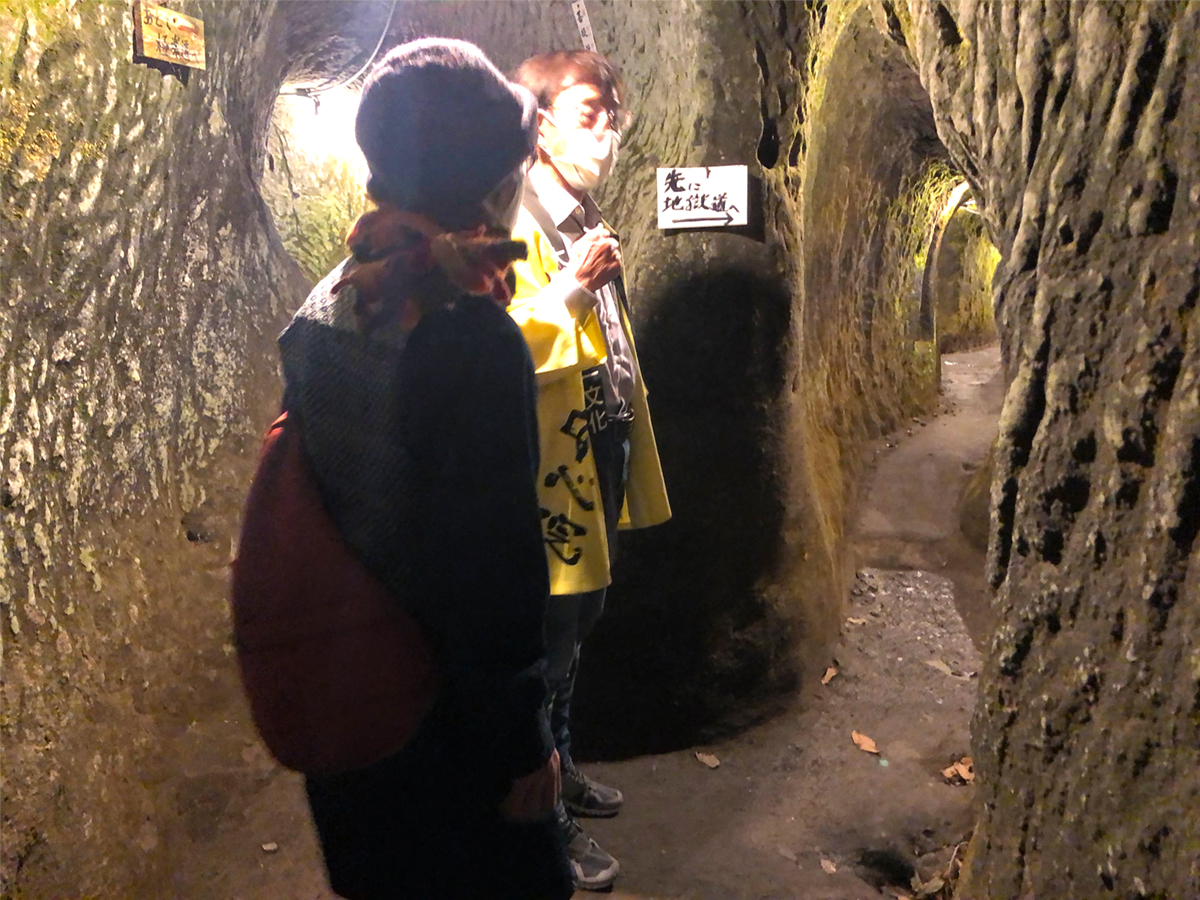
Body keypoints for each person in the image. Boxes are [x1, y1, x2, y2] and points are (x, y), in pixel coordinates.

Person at [277, 39, 573, 900]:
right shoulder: (467, 338)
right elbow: (490, 569)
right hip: (445, 728)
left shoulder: (333, 297)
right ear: (488, 185)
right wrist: (522, 742)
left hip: (347, 699)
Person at [509, 50, 671, 891]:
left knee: (575, 630)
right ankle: (544, 821)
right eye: (585, 114)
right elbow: (494, 346)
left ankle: (562, 766)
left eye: (613, 115)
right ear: (539, 124)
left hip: (596, 444)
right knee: (544, 642)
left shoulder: (580, 212)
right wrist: (573, 289)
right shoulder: (513, 218)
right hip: (547, 467)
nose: (605, 132)